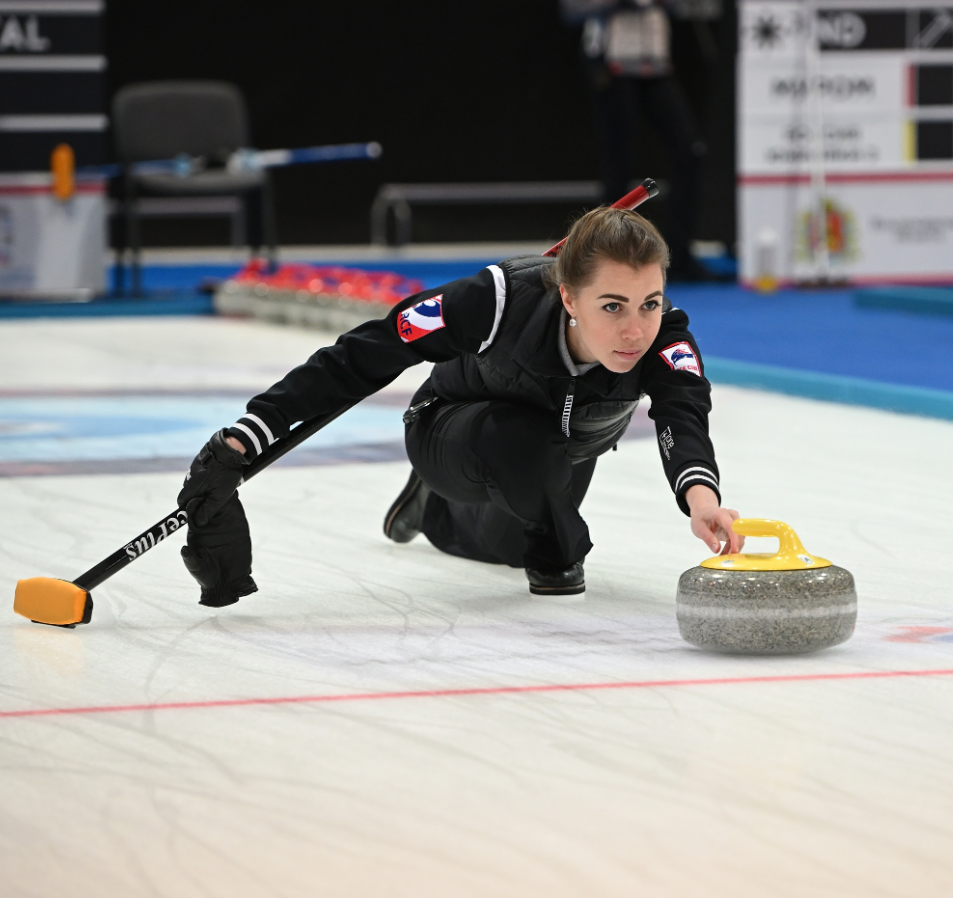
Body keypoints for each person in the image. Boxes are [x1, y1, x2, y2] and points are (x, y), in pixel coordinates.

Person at [176, 207, 742, 607]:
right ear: (569, 296)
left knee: (512, 544)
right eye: (612, 306)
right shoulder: (498, 301)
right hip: (450, 426)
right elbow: (366, 352)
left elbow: (683, 413)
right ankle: (469, 493)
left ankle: (433, 512)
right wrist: (252, 430)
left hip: (560, 449)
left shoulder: (664, 339)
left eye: (649, 303)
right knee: (545, 514)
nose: (635, 330)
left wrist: (702, 499)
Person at [562, 0, 710, 280]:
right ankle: (606, 255)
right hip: (612, 63)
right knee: (618, 160)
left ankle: (678, 254)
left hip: (656, 65)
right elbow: (572, 10)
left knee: (689, 151)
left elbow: (694, 7)